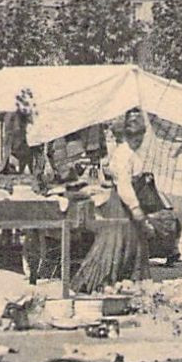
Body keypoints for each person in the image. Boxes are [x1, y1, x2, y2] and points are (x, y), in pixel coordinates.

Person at [72, 113, 151, 291]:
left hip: (123, 202)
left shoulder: (126, 152)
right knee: (115, 243)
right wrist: (135, 207)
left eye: (140, 138)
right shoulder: (124, 154)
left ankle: (126, 281)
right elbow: (124, 185)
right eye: (136, 138)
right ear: (127, 136)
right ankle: (97, 281)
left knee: (131, 243)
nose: (138, 142)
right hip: (122, 205)